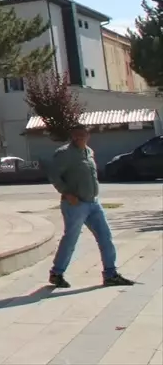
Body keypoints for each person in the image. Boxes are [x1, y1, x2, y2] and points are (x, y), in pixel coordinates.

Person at [47, 124, 134, 289]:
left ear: (88, 135)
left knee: (105, 236)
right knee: (71, 239)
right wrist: (67, 193)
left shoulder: (88, 151)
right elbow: (54, 175)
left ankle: (111, 274)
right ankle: (57, 273)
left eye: (83, 134)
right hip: (75, 204)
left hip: (93, 203)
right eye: (76, 134)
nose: (79, 137)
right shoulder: (64, 153)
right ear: (72, 135)